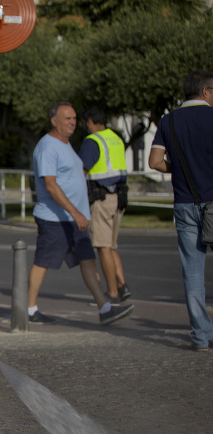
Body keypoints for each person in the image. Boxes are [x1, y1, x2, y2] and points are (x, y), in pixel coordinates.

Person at [27, 102, 134, 326]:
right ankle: (29, 309)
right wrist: (75, 212)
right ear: (54, 121)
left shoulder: (67, 145)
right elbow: (51, 185)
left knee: (88, 261)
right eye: (67, 118)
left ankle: (105, 309)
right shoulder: (48, 146)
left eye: (74, 118)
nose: (72, 122)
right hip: (55, 218)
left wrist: (79, 214)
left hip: (77, 219)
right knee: (43, 262)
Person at [148, 70, 213, 351]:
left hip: (185, 204)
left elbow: (154, 161)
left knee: (193, 272)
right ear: (206, 91)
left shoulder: (168, 121)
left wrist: (179, 170)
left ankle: (200, 335)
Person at [79, 106, 132, 303]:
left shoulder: (92, 141)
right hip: (119, 197)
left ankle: (111, 293)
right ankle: (122, 285)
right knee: (111, 246)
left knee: (103, 247)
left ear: (90, 122)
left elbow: (82, 170)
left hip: (101, 198)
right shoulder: (115, 138)